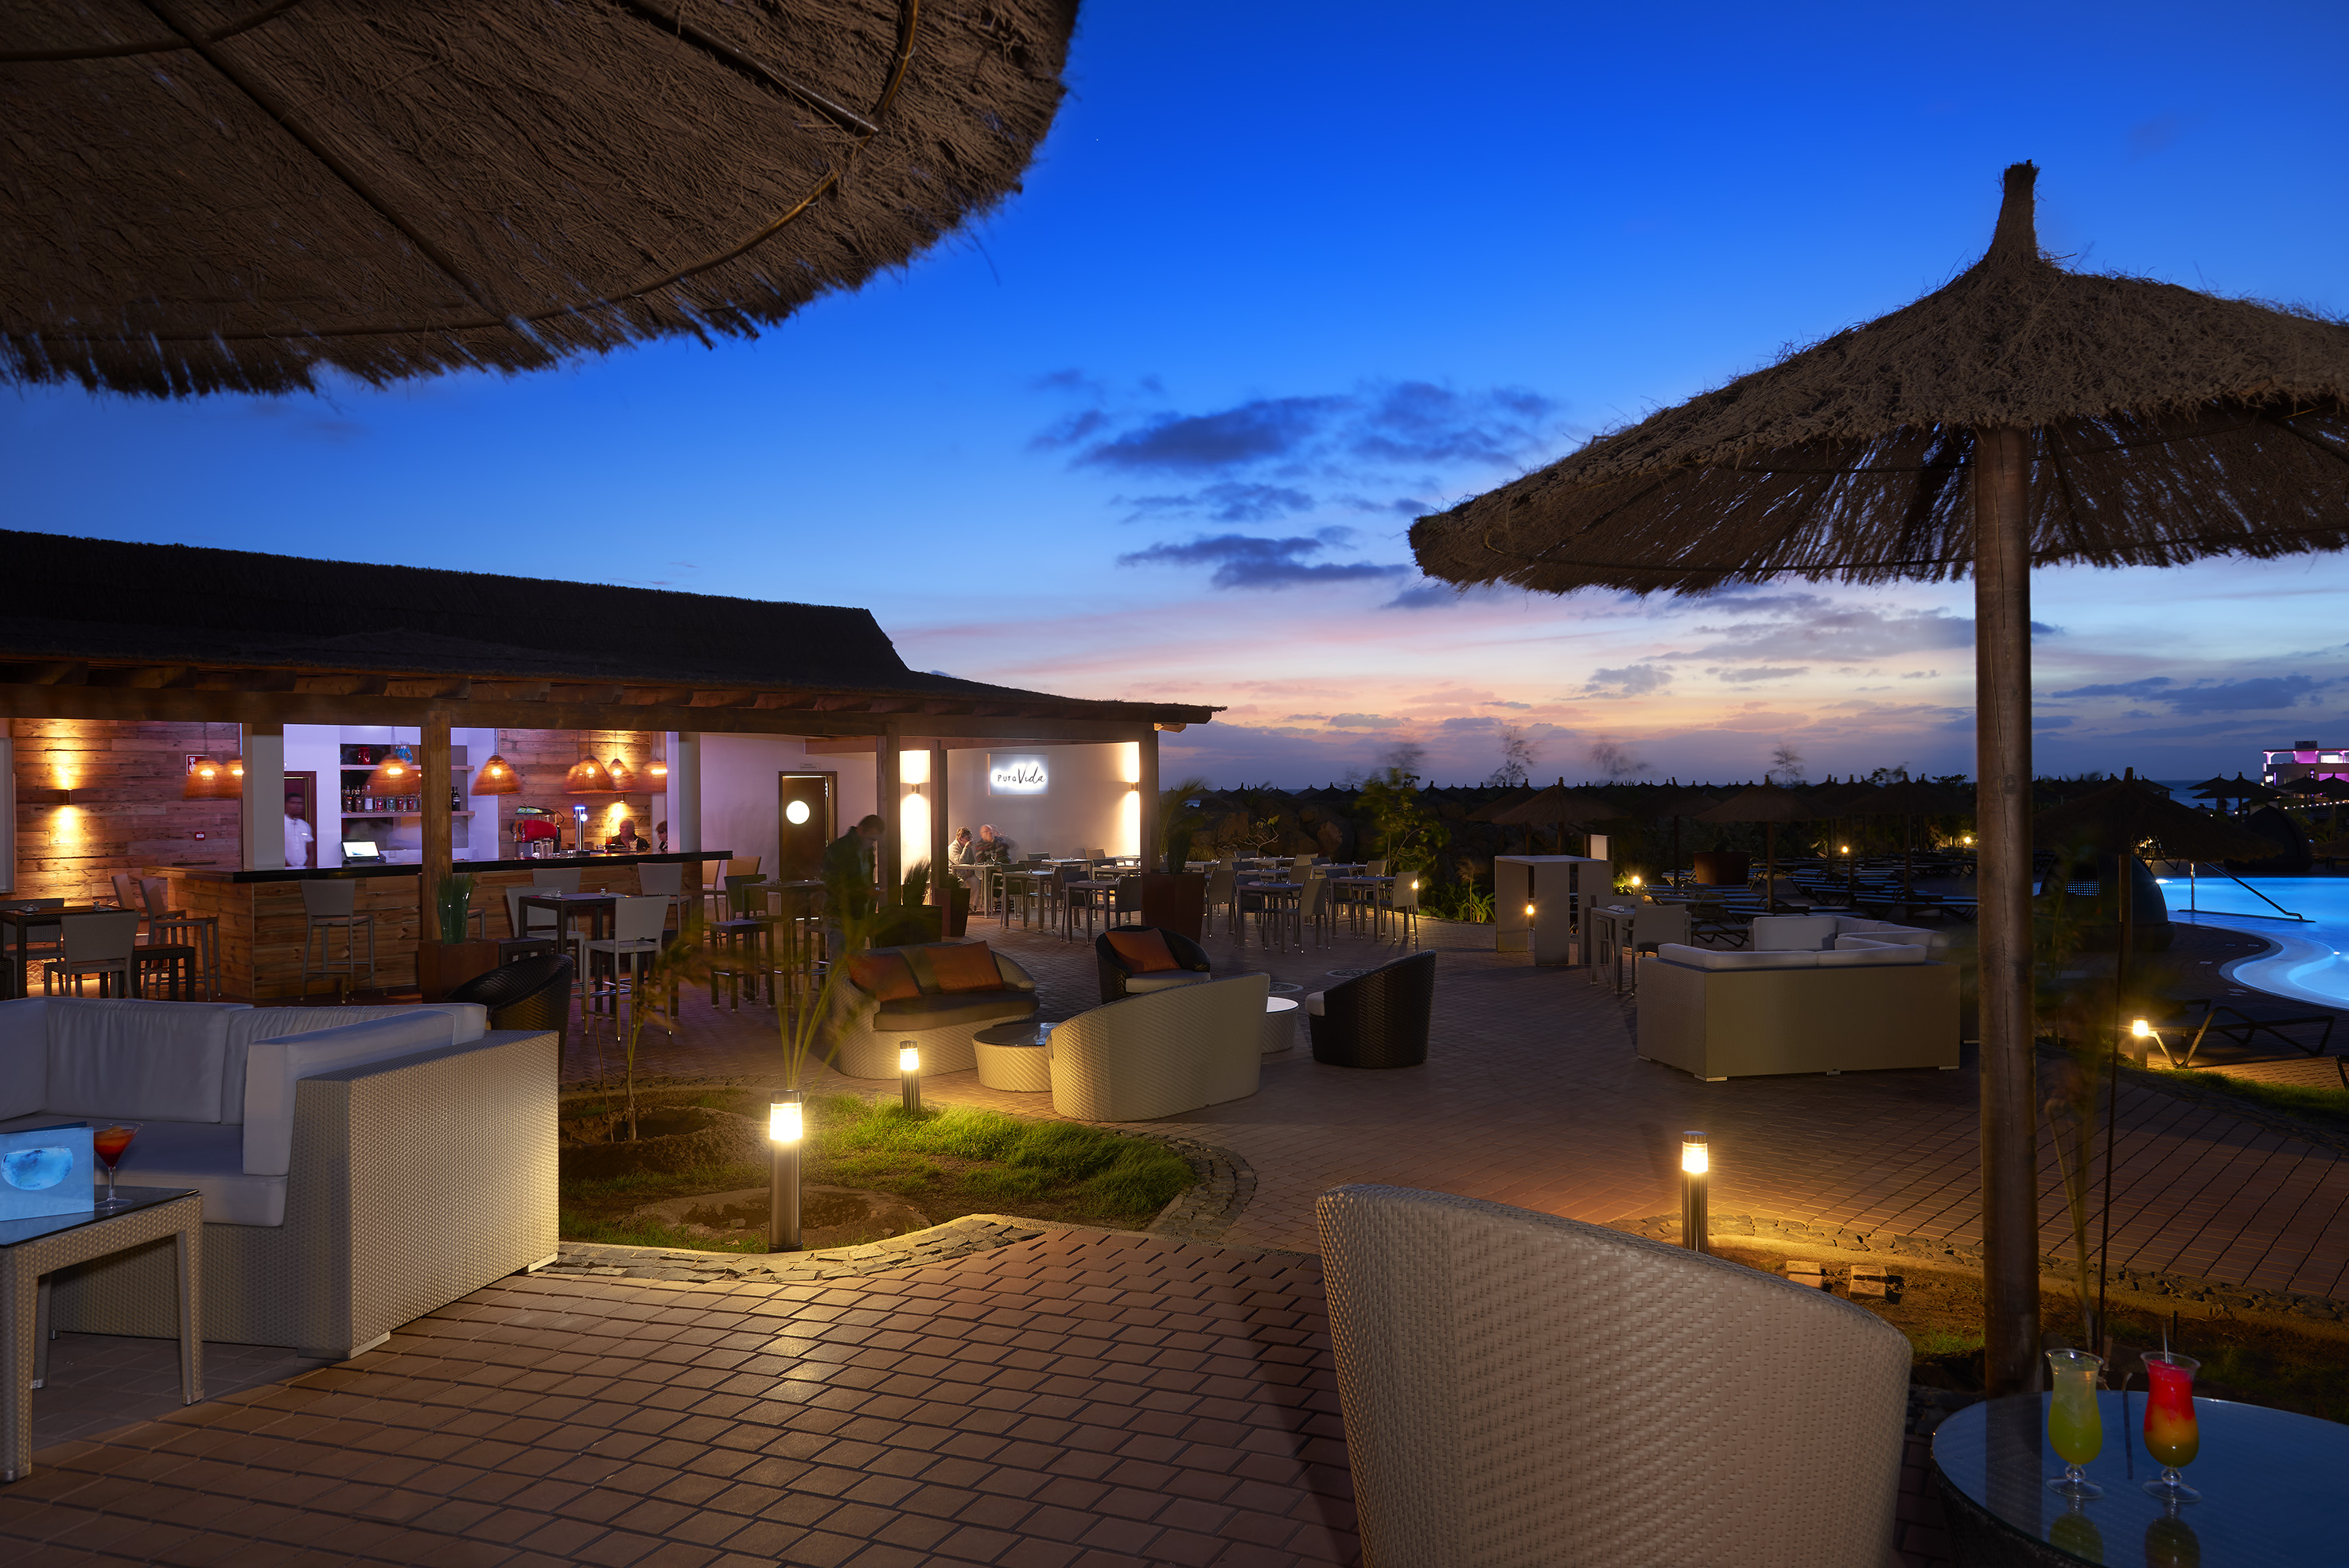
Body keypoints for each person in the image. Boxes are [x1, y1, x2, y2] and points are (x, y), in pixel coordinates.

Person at [821, 814, 886, 955]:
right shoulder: (839, 849)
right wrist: (865, 892)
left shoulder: (867, 851)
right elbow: (834, 884)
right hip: (839, 913)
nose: (872, 843)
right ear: (861, 830)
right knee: (841, 964)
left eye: (875, 840)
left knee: (855, 964)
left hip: (858, 912)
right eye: (871, 839)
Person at [283, 796, 314, 869]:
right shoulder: (280, 824)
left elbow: (310, 851)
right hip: (284, 869)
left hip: (302, 869)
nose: (297, 806)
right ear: (285, 805)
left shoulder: (304, 825)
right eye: (293, 803)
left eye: (299, 803)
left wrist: (307, 867)